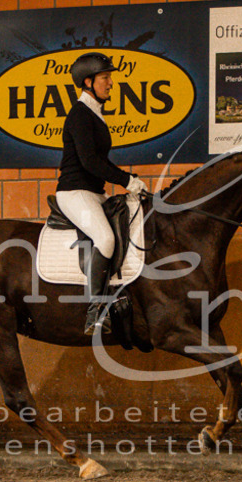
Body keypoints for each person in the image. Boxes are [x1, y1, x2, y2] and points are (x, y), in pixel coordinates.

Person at [56, 51, 148, 335]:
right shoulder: (80, 115)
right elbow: (89, 162)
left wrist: (130, 183)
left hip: (94, 193)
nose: (110, 83)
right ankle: (96, 309)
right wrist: (125, 180)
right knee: (106, 238)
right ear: (88, 82)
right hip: (74, 193)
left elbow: (101, 161)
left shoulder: (94, 113)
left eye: (109, 78)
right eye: (105, 78)